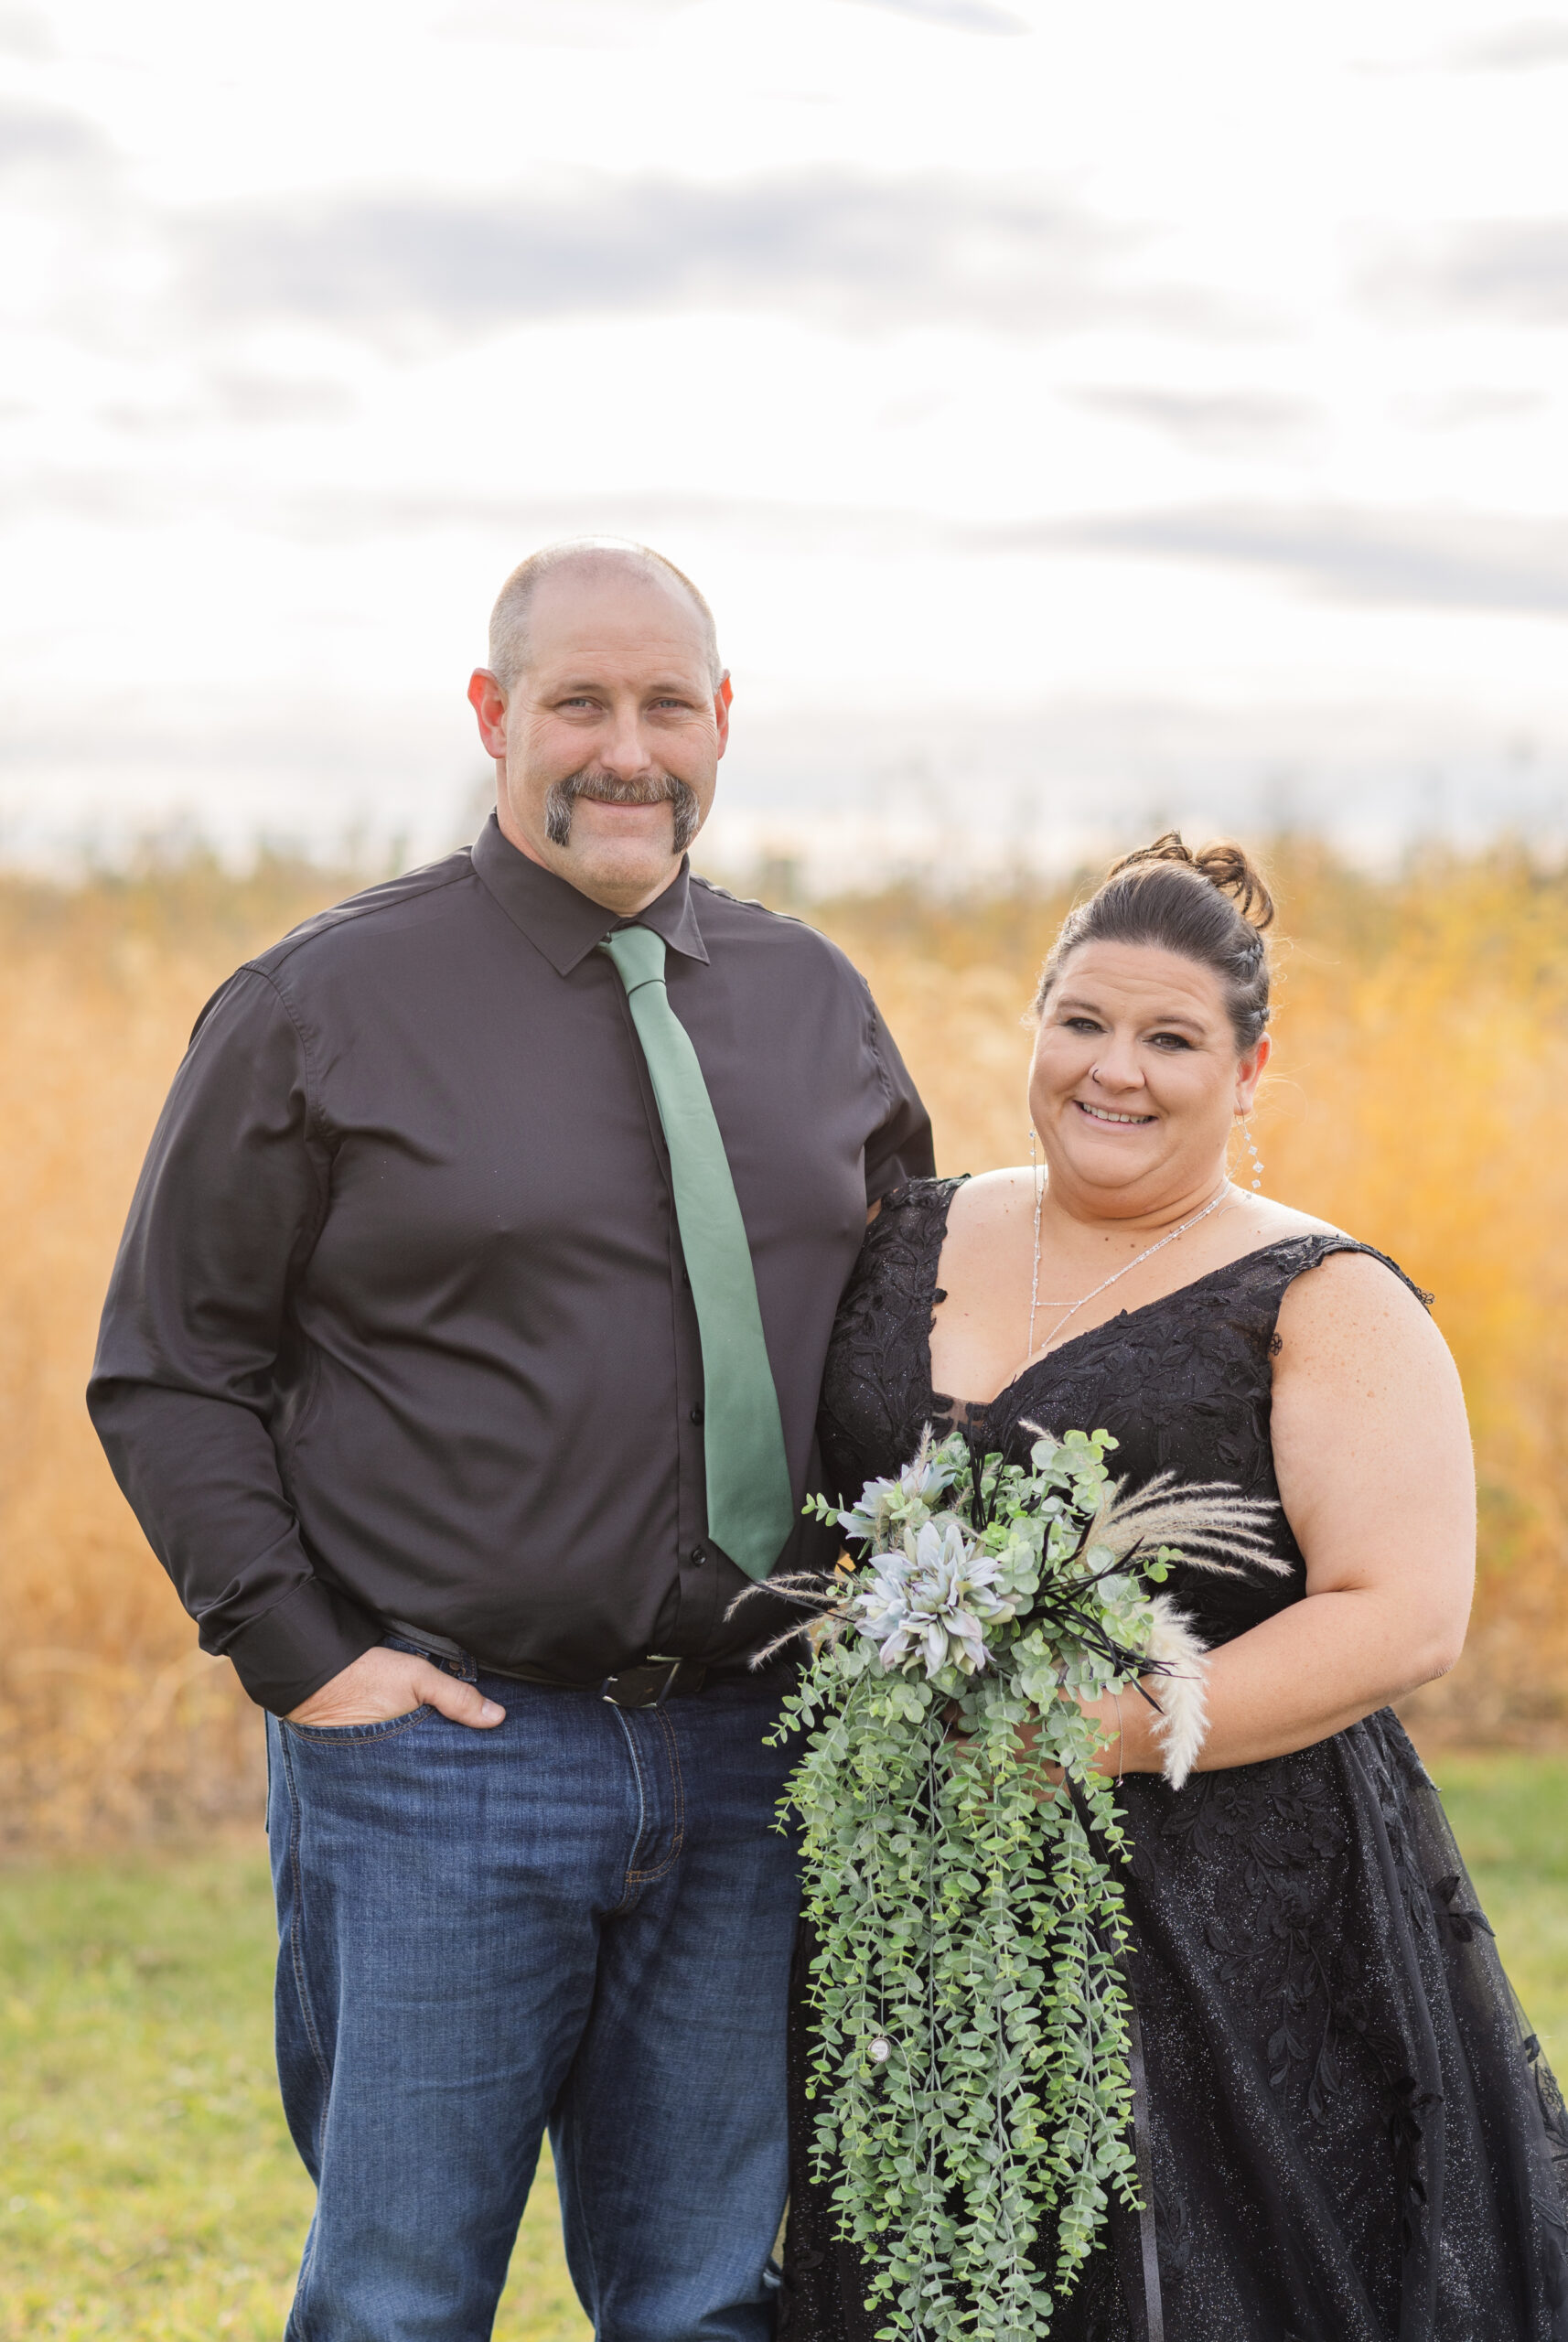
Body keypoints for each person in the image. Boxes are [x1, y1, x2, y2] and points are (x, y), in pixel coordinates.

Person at [87, 539, 935, 2342]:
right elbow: (170, 1362)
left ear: (721, 723)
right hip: (442, 1765)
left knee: (707, 2296)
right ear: (492, 715)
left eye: (663, 706)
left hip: (747, 1762)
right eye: (576, 703)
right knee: (397, 2299)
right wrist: (304, 1657)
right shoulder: (320, 1004)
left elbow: (906, 1343)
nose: (624, 749)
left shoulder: (814, 1006)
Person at [783, 836, 1568, 2341]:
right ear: (1034, 1027)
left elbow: (1401, 1611)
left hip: (1236, 1896)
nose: (1113, 1073)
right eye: (1080, 1023)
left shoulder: (1321, 1297)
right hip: (928, 1883)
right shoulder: (906, 1238)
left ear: (1248, 1068)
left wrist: (1118, 1726)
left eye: (1169, 1040)